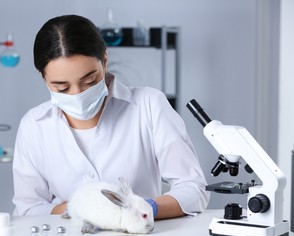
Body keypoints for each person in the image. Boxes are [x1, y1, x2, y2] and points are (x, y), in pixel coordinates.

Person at [12, 14, 210, 220]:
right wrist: (82, 208)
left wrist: (141, 208)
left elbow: (194, 189)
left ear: (104, 61)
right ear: (43, 77)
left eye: (89, 81)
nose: (77, 95)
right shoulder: (34, 125)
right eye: (61, 87)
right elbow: (28, 210)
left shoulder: (149, 105)